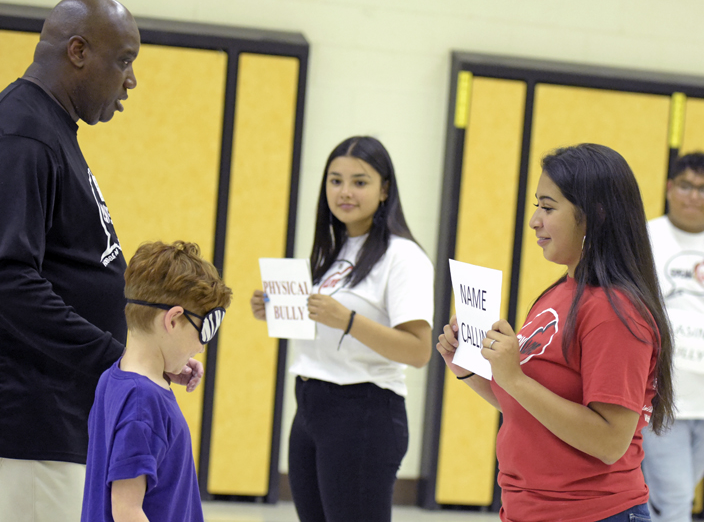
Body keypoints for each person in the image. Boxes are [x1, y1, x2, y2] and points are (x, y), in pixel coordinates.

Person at [0, 0, 199, 521]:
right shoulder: (20, 136)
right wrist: (117, 362)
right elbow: (6, 279)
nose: (131, 80)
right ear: (79, 51)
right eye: (125, 60)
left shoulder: (47, 131)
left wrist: (144, 354)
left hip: (30, 419)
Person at [437, 143, 674, 522]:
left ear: (594, 215)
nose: (534, 220)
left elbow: (609, 441)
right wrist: (466, 367)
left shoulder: (616, 311)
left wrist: (514, 377)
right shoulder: (560, 292)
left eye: (548, 207)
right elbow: (529, 408)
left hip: (593, 513)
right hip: (530, 509)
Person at [251, 136, 434, 522]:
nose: (345, 192)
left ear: (385, 190)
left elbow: (418, 351)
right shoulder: (334, 251)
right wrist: (279, 310)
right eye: (335, 181)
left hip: (363, 412)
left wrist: (347, 320)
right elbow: (327, 328)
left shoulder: (403, 257)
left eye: (359, 181)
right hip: (311, 406)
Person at [81, 240, 232, 522]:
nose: (201, 347)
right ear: (173, 320)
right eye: (204, 331)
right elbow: (127, 511)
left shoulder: (113, 379)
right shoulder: (143, 404)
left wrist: (165, 366)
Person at [641, 152, 704, 522]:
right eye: (686, 185)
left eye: (702, 188)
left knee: (667, 498)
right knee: (677, 500)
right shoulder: (646, 238)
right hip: (665, 399)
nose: (694, 196)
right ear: (669, 188)